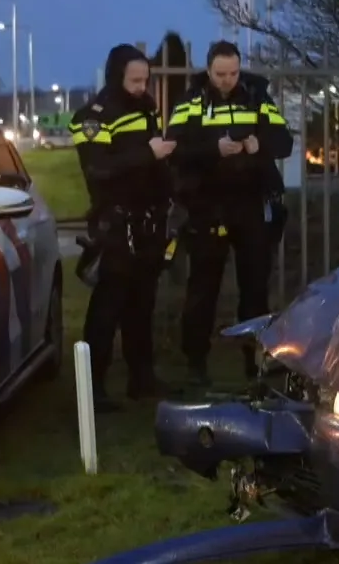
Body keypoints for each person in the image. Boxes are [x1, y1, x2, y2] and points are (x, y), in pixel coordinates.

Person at [167, 40, 294, 386]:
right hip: (207, 207)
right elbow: (173, 148)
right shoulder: (191, 103)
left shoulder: (256, 97)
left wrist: (259, 145)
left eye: (233, 73)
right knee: (203, 289)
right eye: (220, 73)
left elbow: (284, 141)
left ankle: (255, 364)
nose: (227, 80)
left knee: (255, 288)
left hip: (251, 206)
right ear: (208, 70)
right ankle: (196, 364)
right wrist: (213, 149)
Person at [69, 44, 178, 405]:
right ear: (117, 76)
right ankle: (93, 388)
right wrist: (149, 153)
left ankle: (142, 379)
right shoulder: (93, 117)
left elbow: (152, 167)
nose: (141, 86)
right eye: (135, 80)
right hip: (115, 225)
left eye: (145, 79)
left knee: (141, 305)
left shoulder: (145, 110)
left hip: (147, 224)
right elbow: (98, 169)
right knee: (107, 307)